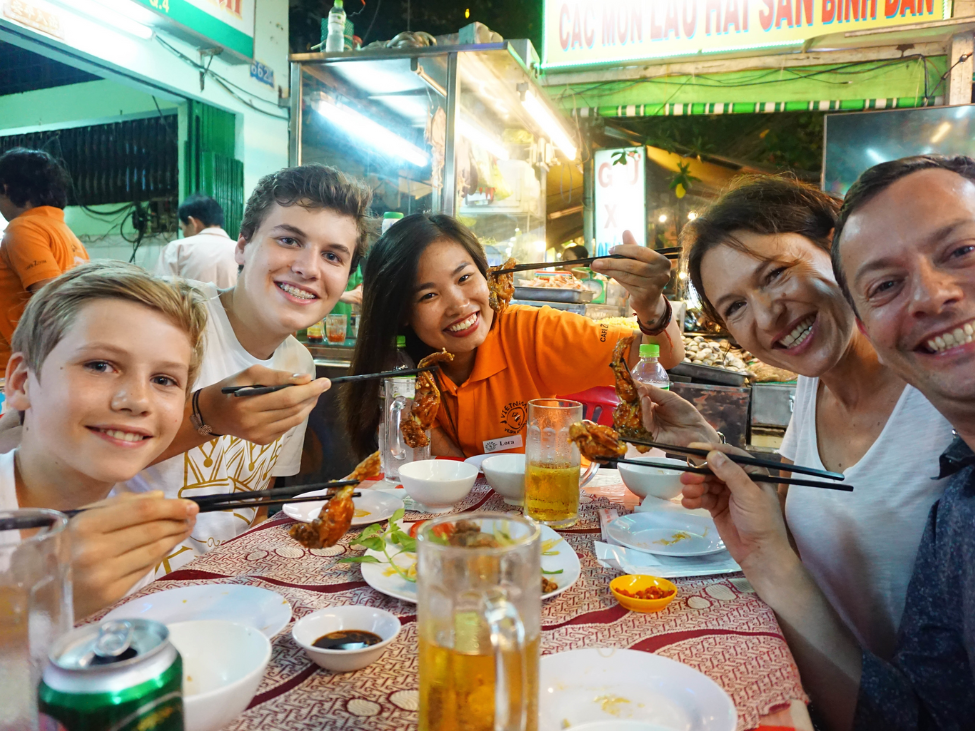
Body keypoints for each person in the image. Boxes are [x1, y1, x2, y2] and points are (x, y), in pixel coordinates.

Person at [680, 155, 975, 729]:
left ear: (838, 255)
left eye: (775, 274)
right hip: (838, 695)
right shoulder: (811, 386)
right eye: (735, 307)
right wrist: (714, 454)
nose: (769, 315)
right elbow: (797, 525)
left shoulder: (945, 389)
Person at [117, 163, 373, 576]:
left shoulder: (298, 363)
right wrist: (206, 416)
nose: (309, 268)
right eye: (289, 240)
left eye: (332, 256)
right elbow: (71, 462)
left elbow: (258, 499)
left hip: (219, 590)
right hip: (119, 599)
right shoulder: (171, 322)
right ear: (242, 245)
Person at [344, 213, 683, 460]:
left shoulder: (534, 333)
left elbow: (662, 356)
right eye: (428, 295)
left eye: (464, 278)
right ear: (401, 313)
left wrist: (652, 306)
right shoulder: (400, 372)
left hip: (546, 506)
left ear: (487, 276)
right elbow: (431, 467)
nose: (459, 305)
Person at [2, 261, 206, 618]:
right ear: (21, 383)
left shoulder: (123, 530)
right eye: (100, 365)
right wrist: (37, 605)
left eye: (163, 380)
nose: (137, 401)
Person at [0, 148, 89, 378]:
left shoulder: (23, 228)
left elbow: (50, 297)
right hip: (48, 361)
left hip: (16, 368)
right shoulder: (66, 233)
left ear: (6, 188)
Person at [154, 193, 237, 288]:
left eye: (182, 228)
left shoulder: (177, 249)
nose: (184, 234)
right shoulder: (241, 251)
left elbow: (160, 293)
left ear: (192, 222)